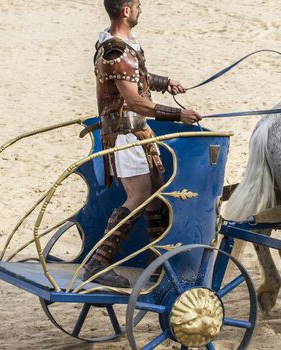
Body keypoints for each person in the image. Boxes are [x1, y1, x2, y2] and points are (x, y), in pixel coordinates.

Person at [83, 0, 202, 288]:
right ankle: (99, 262)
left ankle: (156, 257)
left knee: (157, 186)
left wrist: (166, 82)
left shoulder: (124, 46)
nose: (140, 9)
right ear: (125, 11)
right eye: (137, 5)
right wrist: (178, 114)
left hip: (138, 131)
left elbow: (137, 79)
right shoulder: (116, 51)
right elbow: (135, 100)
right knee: (138, 195)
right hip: (126, 134)